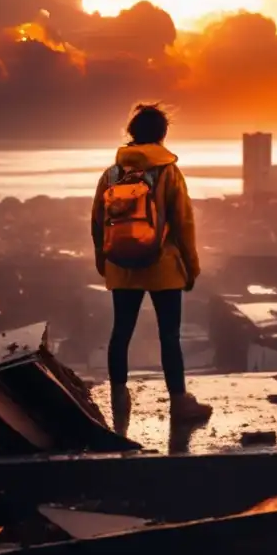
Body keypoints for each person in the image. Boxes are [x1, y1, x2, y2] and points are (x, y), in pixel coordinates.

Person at [91, 103, 213, 423]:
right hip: (164, 266)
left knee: (121, 332)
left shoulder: (112, 174)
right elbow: (183, 223)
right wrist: (192, 266)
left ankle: (119, 398)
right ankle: (179, 402)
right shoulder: (168, 172)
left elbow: (97, 221)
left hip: (122, 265)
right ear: (162, 134)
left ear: (131, 132)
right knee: (169, 335)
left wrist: (104, 262)